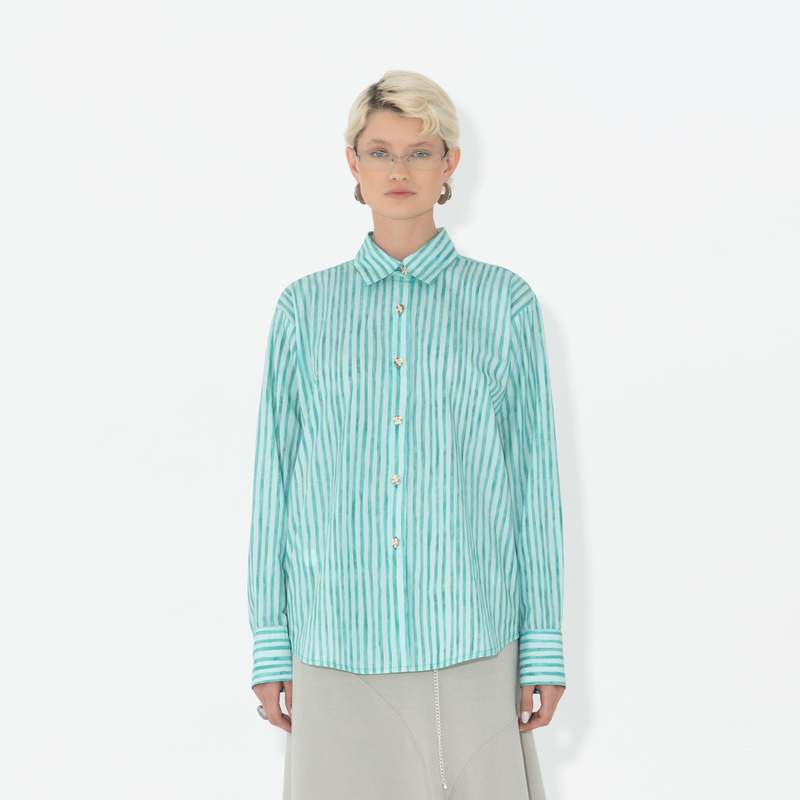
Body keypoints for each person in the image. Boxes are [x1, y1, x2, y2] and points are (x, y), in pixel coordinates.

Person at [247, 69, 567, 799]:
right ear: (353, 164)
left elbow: (534, 483)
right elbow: (275, 482)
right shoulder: (304, 310)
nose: (399, 171)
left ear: (450, 164)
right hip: (335, 638)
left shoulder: (504, 304)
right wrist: (271, 640)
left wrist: (542, 644)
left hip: (470, 635)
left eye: (420, 152)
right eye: (381, 152)